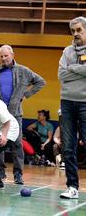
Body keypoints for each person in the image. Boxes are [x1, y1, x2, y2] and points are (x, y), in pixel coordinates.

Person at [0, 44, 46, 185]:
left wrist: (26, 94)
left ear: (12, 55)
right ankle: (0, 172)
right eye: (1, 56)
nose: (4, 58)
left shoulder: (23, 70)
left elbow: (40, 82)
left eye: (6, 55)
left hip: (15, 113)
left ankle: (18, 174)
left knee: (17, 144)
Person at [58, 16, 86, 199]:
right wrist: (81, 69)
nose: (75, 34)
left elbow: (68, 72)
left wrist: (72, 68)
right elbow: (61, 74)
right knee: (68, 148)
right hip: (67, 103)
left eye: (79, 30)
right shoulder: (67, 51)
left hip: (85, 103)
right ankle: (72, 187)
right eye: (73, 31)